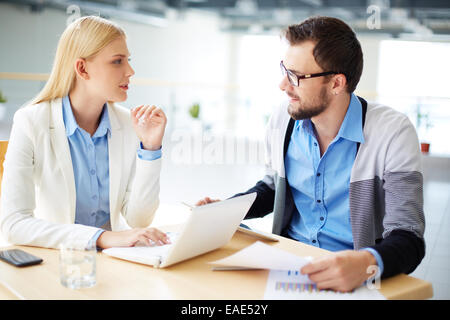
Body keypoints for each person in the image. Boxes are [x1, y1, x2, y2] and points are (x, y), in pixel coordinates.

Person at [196, 16, 425, 292]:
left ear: (337, 83)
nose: (283, 84)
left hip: (351, 279)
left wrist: (364, 263)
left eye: (296, 76)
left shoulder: (393, 132)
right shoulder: (284, 117)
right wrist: (225, 210)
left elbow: (409, 236)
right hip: (286, 267)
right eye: (284, 69)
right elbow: (273, 188)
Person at [0, 16, 170, 250]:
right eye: (117, 61)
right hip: (60, 262)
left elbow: (138, 219)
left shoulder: (128, 123)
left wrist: (150, 149)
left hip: (115, 261)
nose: (130, 71)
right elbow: (13, 224)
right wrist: (101, 237)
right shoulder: (31, 122)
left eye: (128, 60)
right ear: (82, 68)